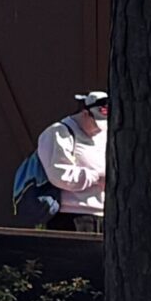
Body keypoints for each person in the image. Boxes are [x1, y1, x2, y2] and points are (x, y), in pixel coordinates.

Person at [39, 91, 108, 232]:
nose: (100, 130)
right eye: (97, 124)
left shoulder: (104, 134)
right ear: (85, 114)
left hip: (104, 214)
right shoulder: (59, 133)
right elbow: (59, 175)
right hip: (71, 217)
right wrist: (96, 177)